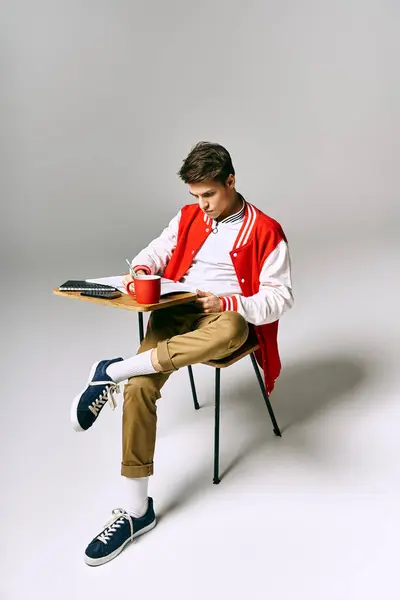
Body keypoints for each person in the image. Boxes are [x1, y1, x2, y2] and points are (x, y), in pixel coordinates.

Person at [71, 141, 294, 566]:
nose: (202, 205)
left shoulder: (266, 229)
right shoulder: (189, 216)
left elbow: (280, 298)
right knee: (139, 388)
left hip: (223, 318)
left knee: (233, 327)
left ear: (231, 181)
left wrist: (230, 303)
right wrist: (141, 268)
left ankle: (112, 370)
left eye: (208, 194)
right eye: (195, 196)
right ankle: (137, 512)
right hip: (177, 310)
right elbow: (159, 249)